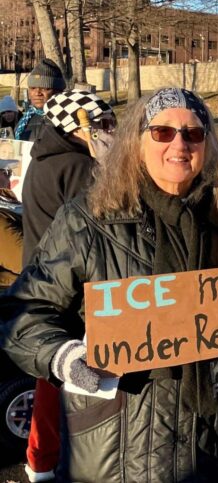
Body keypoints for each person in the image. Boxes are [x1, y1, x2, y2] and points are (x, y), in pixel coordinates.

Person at [0, 87, 218, 482]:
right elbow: (21, 314)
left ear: (208, 146)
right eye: (162, 132)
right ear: (135, 141)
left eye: (194, 134)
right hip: (116, 450)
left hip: (214, 447)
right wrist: (63, 357)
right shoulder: (87, 220)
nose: (180, 143)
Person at [17, 89, 115, 482]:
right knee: (72, 380)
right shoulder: (78, 167)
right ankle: (58, 459)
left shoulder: (44, 159)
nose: (111, 132)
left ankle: (40, 459)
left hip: (45, 276)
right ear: (81, 128)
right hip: (72, 287)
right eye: (104, 125)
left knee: (49, 377)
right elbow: (101, 227)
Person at [16, 59, 66, 142]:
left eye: (45, 88)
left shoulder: (68, 120)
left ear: (58, 91)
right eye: (33, 88)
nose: (37, 93)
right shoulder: (24, 121)